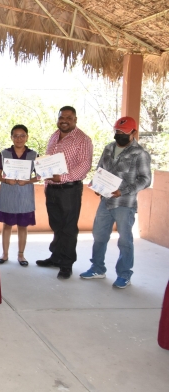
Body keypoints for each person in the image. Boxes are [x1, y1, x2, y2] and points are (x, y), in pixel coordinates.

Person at [79, 117, 151, 288]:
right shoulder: (109, 148)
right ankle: (97, 268)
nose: (119, 135)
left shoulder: (140, 154)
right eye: (117, 132)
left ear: (133, 133)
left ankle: (124, 274)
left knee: (125, 241)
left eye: (124, 133)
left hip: (125, 204)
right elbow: (100, 170)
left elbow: (145, 180)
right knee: (99, 236)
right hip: (106, 201)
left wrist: (123, 191)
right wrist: (97, 185)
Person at [36, 106, 93, 280]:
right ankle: (56, 257)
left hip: (69, 190)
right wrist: (42, 172)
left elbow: (85, 166)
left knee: (68, 228)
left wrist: (63, 177)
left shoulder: (83, 140)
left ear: (75, 119)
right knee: (57, 226)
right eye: (62, 117)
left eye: (69, 117)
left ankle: (66, 264)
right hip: (52, 189)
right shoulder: (54, 135)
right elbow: (48, 160)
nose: (64, 120)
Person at [0, 125, 39, 266]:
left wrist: (28, 181)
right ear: (11, 137)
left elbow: (39, 176)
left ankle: (21, 255)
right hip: (8, 192)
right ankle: (5, 253)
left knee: (22, 225)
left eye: (22, 135)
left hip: (25, 193)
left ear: (27, 137)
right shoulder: (4, 154)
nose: (19, 139)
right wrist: (5, 180)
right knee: (7, 224)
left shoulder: (33, 155)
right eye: (16, 136)